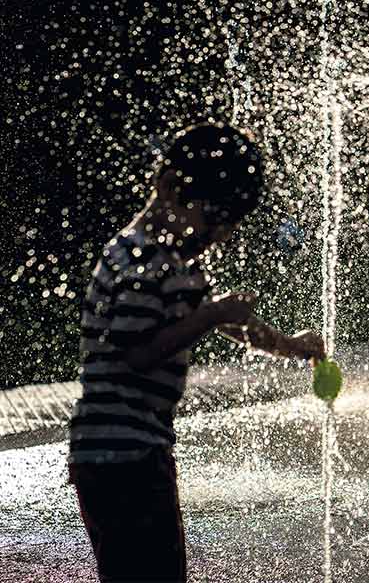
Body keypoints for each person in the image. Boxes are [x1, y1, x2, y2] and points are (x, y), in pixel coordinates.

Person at [67, 121, 326, 583]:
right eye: (213, 220)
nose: (220, 236)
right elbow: (134, 355)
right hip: (125, 458)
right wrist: (207, 318)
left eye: (229, 225)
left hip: (121, 453)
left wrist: (288, 346)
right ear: (169, 189)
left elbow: (221, 319)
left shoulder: (162, 258)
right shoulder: (144, 262)